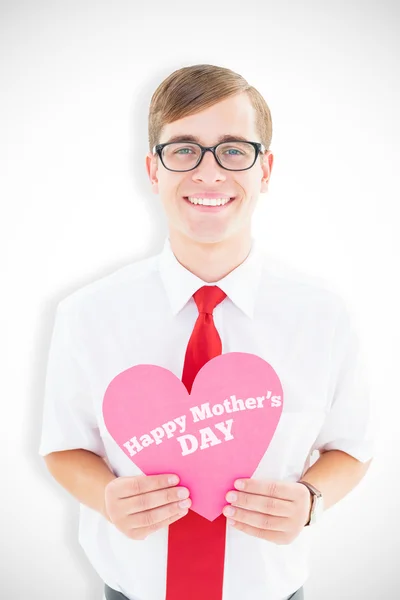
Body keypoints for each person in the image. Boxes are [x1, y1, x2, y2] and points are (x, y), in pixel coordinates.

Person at [39, 64, 375, 600]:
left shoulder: (325, 317)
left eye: (234, 150)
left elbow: (352, 448)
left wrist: (312, 499)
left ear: (265, 171)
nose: (209, 173)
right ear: (153, 171)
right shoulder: (86, 314)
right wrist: (107, 496)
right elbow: (63, 447)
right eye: (184, 150)